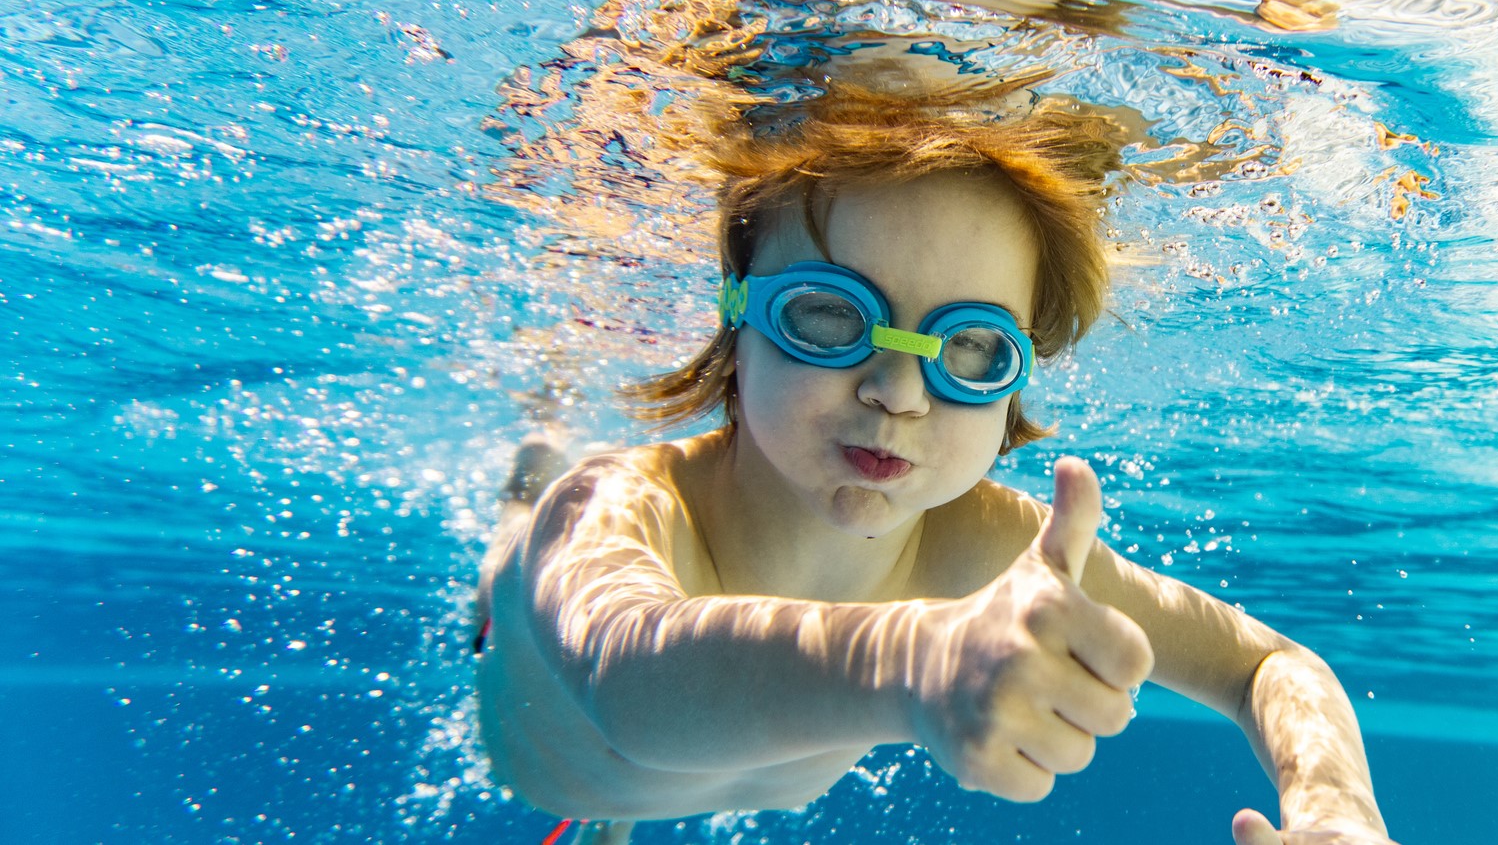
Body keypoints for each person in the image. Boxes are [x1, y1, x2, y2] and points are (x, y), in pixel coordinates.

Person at [473, 87, 1395, 845]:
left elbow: (1268, 662)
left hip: (659, 773)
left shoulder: (988, 544)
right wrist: (915, 660)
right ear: (735, 316)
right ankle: (529, 464)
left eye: (971, 350)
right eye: (828, 317)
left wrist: (1336, 807)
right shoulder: (611, 511)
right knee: (533, 511)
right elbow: (629, 678)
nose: (900, 393)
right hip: (553, 734)